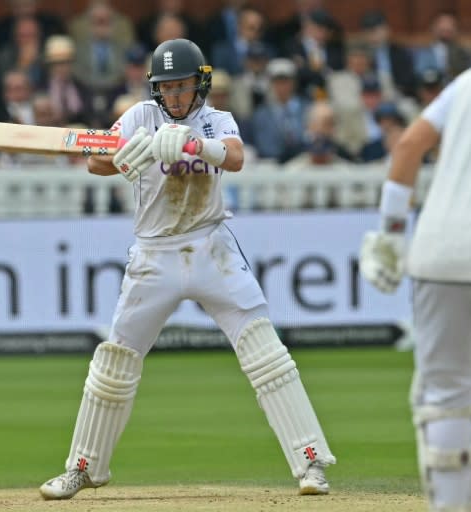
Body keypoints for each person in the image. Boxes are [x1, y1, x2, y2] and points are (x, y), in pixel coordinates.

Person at [39, 38, 335, 501]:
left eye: (183, 87)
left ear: (200, 84)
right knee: (114, 361)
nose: (175, 97)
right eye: (167, 89)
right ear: (156, 90)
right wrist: (121, 158)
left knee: (265, 352)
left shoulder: (217, 120)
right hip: (153, 256)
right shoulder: (139, 116)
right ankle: (83, 467)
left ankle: (312, 463)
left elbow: (234, 157)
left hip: (210, 248)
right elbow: (96, 161)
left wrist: (197, 144)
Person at [359, 63, 471, 511]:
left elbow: (408, 146)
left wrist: (390, 233)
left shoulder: (469, 82)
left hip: (438, 249)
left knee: (443, 396)